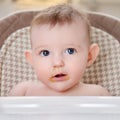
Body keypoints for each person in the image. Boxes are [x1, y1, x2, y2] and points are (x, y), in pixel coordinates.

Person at [9, 4, 110, 96]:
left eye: (70, 51)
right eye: (45, 53)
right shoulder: (24, 92)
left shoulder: (98, 94)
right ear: (32, 60)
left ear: (89, 56)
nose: (57, 62)